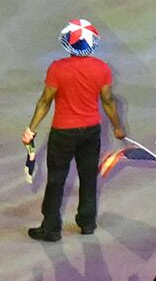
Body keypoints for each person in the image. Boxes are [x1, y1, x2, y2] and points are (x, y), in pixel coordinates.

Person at [23, 14, 131, 236]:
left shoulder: (57, 69)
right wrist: (117, 127)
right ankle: (87, 222)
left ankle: (51, 227)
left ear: (68, 43)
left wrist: (31, 129)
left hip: (63, 132)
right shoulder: (102, 69)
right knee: (88, 177)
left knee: (56, 179)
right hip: (91, 132)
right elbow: (108, 101)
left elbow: (45, 101)